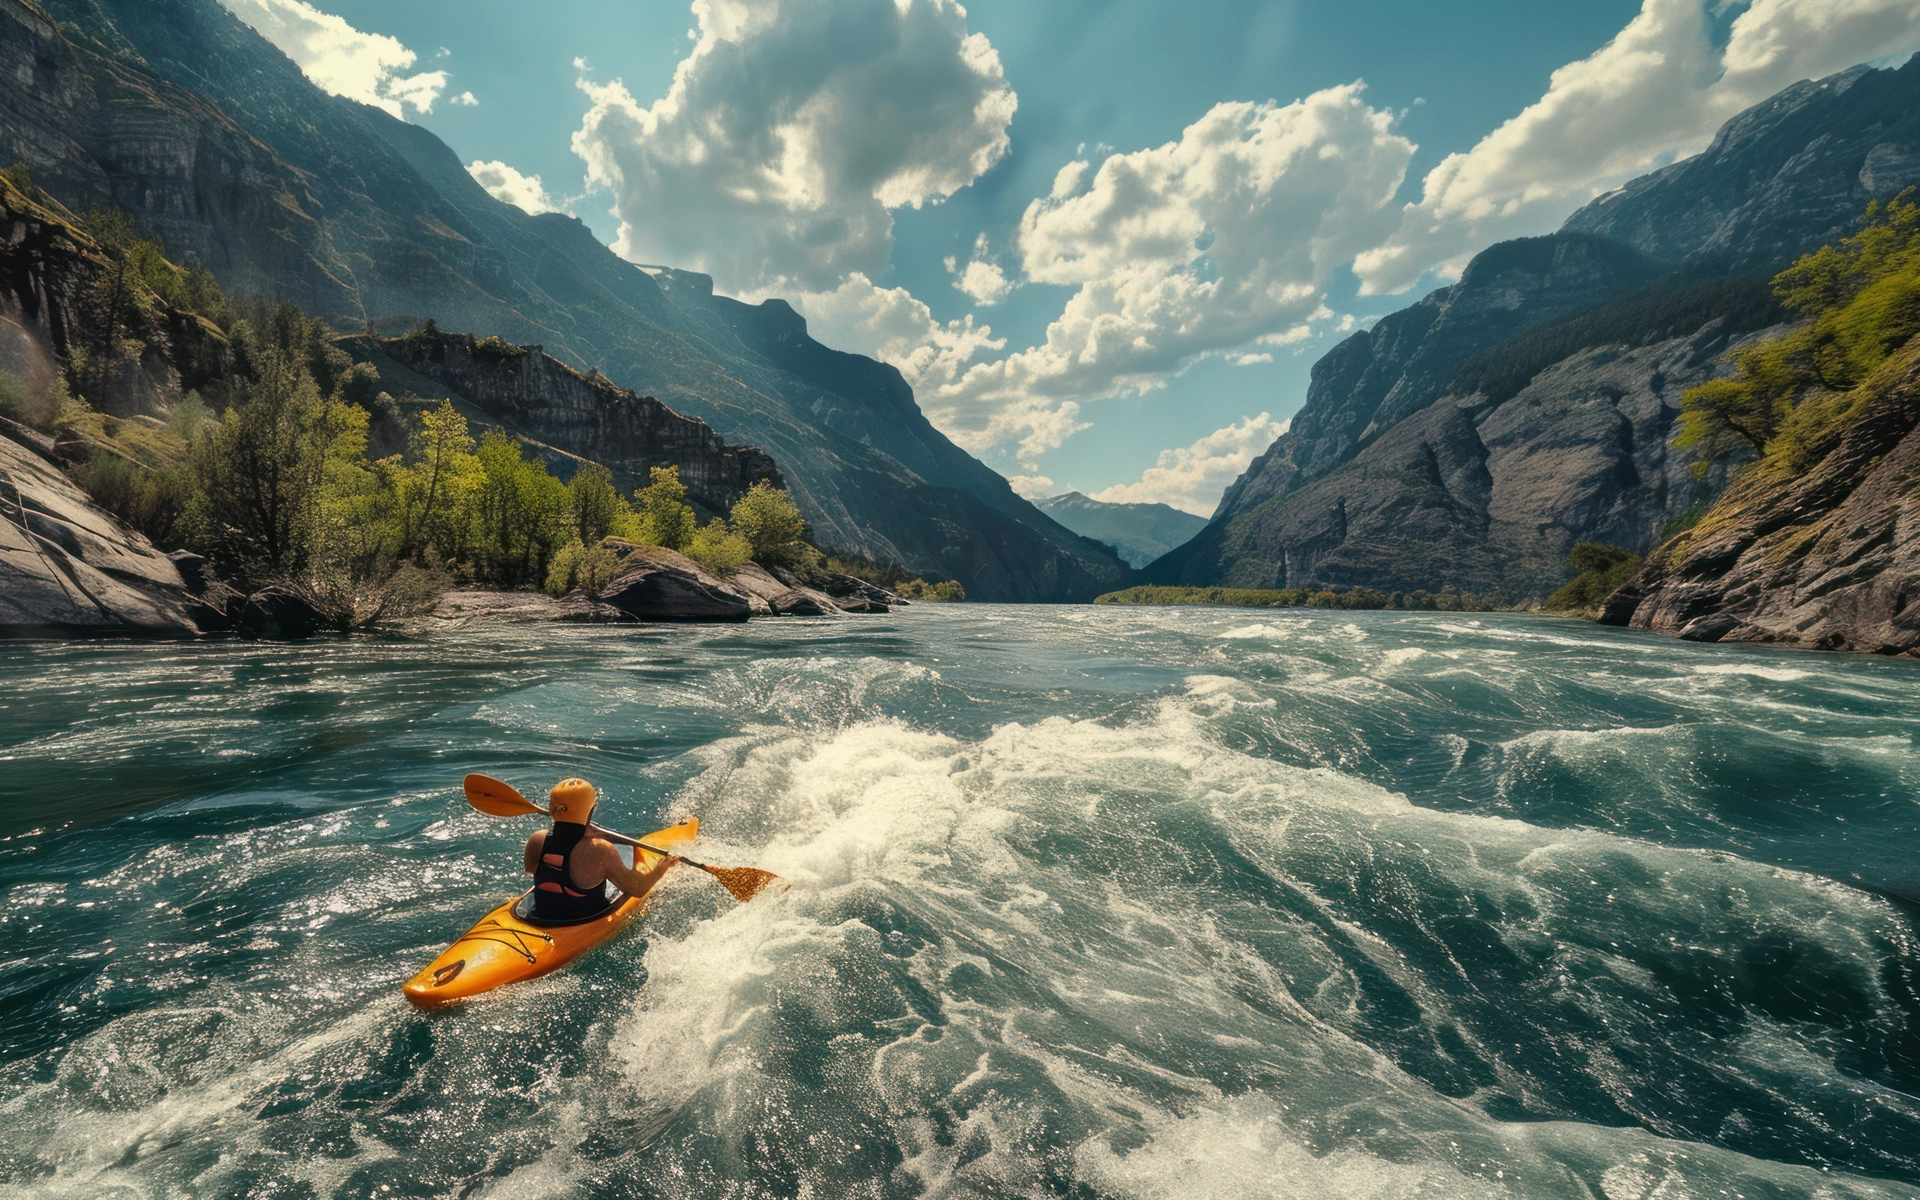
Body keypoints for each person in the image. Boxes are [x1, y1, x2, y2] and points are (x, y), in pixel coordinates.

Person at [523, 778, 676, 922]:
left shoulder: (537, 839)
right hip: (584, 920)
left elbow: (533, 867)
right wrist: (661, 868)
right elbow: (637, 889)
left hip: (541, 916)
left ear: (552, 808)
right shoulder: (601, 849)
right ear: (590, 809)